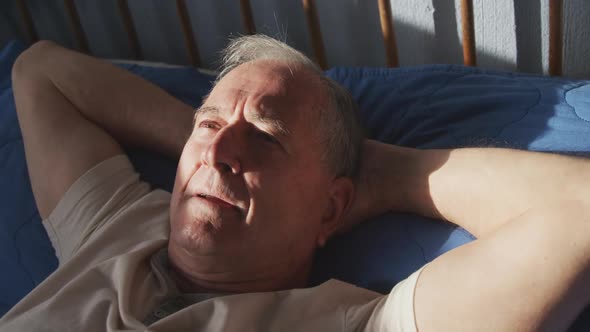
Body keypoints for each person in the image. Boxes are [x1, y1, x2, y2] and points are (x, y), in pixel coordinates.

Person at [1, 34, 589, 331]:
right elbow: (41, 70)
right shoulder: (115, 225)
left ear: (332, 208)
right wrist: (202, 143)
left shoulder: (350, 322)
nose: (222, 150)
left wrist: (389, 174)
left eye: (265, 137)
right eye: (210, 122)